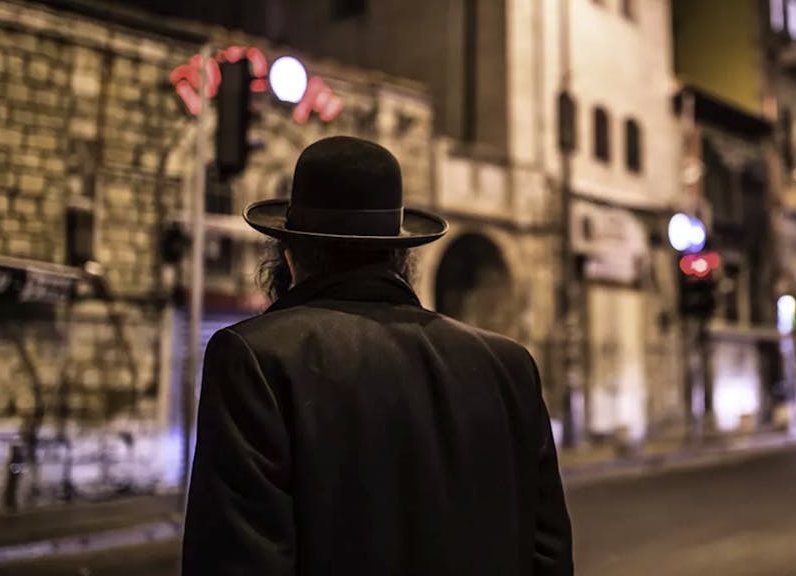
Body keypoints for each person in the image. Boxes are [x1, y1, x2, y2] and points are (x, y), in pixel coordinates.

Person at [182, 136, 573, 576]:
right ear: (400, 256)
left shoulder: (255, 359)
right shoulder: (509, 367)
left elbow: (237, 559)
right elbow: (549, 556)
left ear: (290, 258)